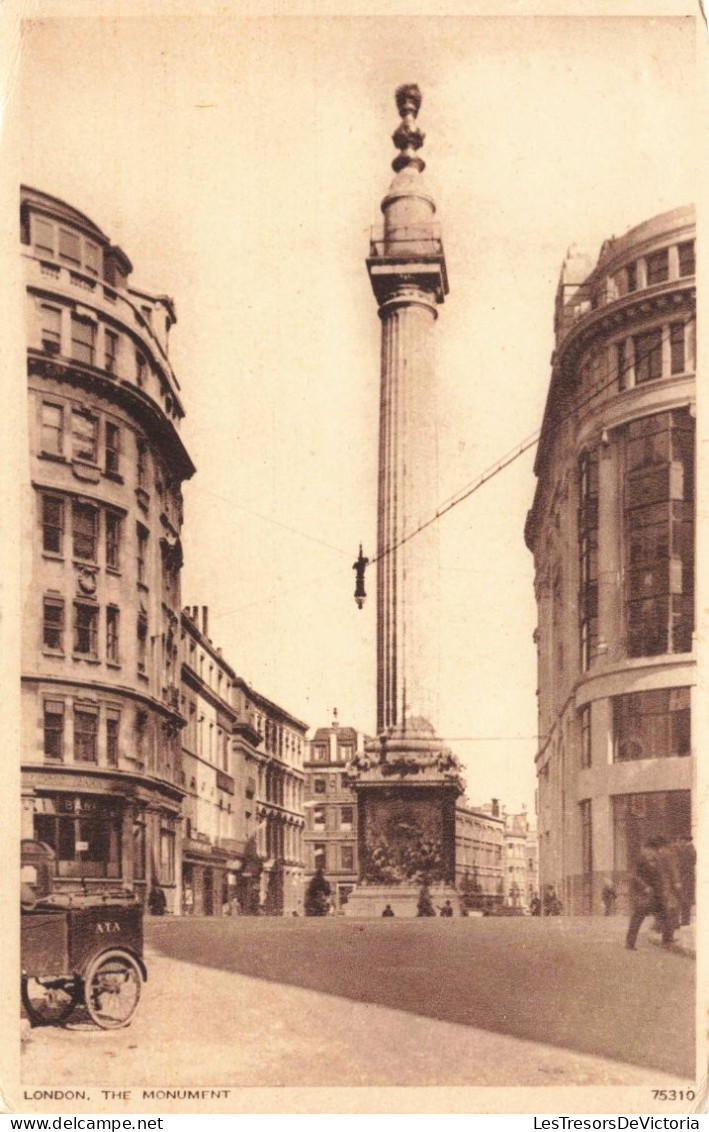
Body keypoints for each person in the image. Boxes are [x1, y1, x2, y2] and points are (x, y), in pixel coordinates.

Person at [626, 838, 663, 950]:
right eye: (654, 850)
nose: (654, 852)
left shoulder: (654, 858)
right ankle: (630, 943)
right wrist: (644, 886)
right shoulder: (641, 858)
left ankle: (663, 935)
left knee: (661, 913)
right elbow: (634, 875)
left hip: (653, 892)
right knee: (638, 917)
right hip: (643, 893)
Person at [674, 835, 696, 927]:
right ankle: (685, 920)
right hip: (689, 876)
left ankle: (685, 921)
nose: (680, 843)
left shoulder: (687, 850)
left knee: (684, 898)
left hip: (685, 876)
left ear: (684, 840)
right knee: (686, 898)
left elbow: (683, 864)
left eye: (680, 840)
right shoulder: (692, 848)